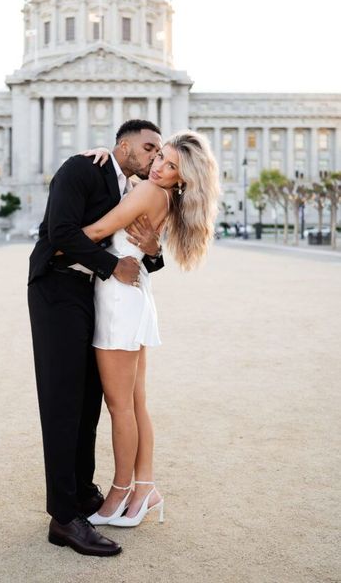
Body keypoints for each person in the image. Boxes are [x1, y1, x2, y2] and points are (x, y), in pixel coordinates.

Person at [27, 120, 164, 557]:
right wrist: (111, 267)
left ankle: (82, 492)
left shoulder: (130, 188)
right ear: (121, 145)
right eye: (147, 148)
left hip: (90, 296)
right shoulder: (81, 168)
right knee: (63, 401)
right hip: (57, 288)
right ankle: (63, 518)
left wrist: (153, 250)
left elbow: (135, 252)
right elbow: (58, 235)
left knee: (88, 400)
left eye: (159, 152)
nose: (153, 158)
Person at [78, 130, 220, 528]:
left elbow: (95, 232)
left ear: (183, 178)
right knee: (136, 403)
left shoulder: (147, 194)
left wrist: (53, 244)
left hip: (118, 300)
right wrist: (108, 153)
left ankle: (121, 490)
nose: (159, 167)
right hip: (134, 296)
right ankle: (145, 488)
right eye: (161, 156)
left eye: (171, 166)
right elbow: (130, 178)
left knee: (120, 406)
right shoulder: (161, 194)